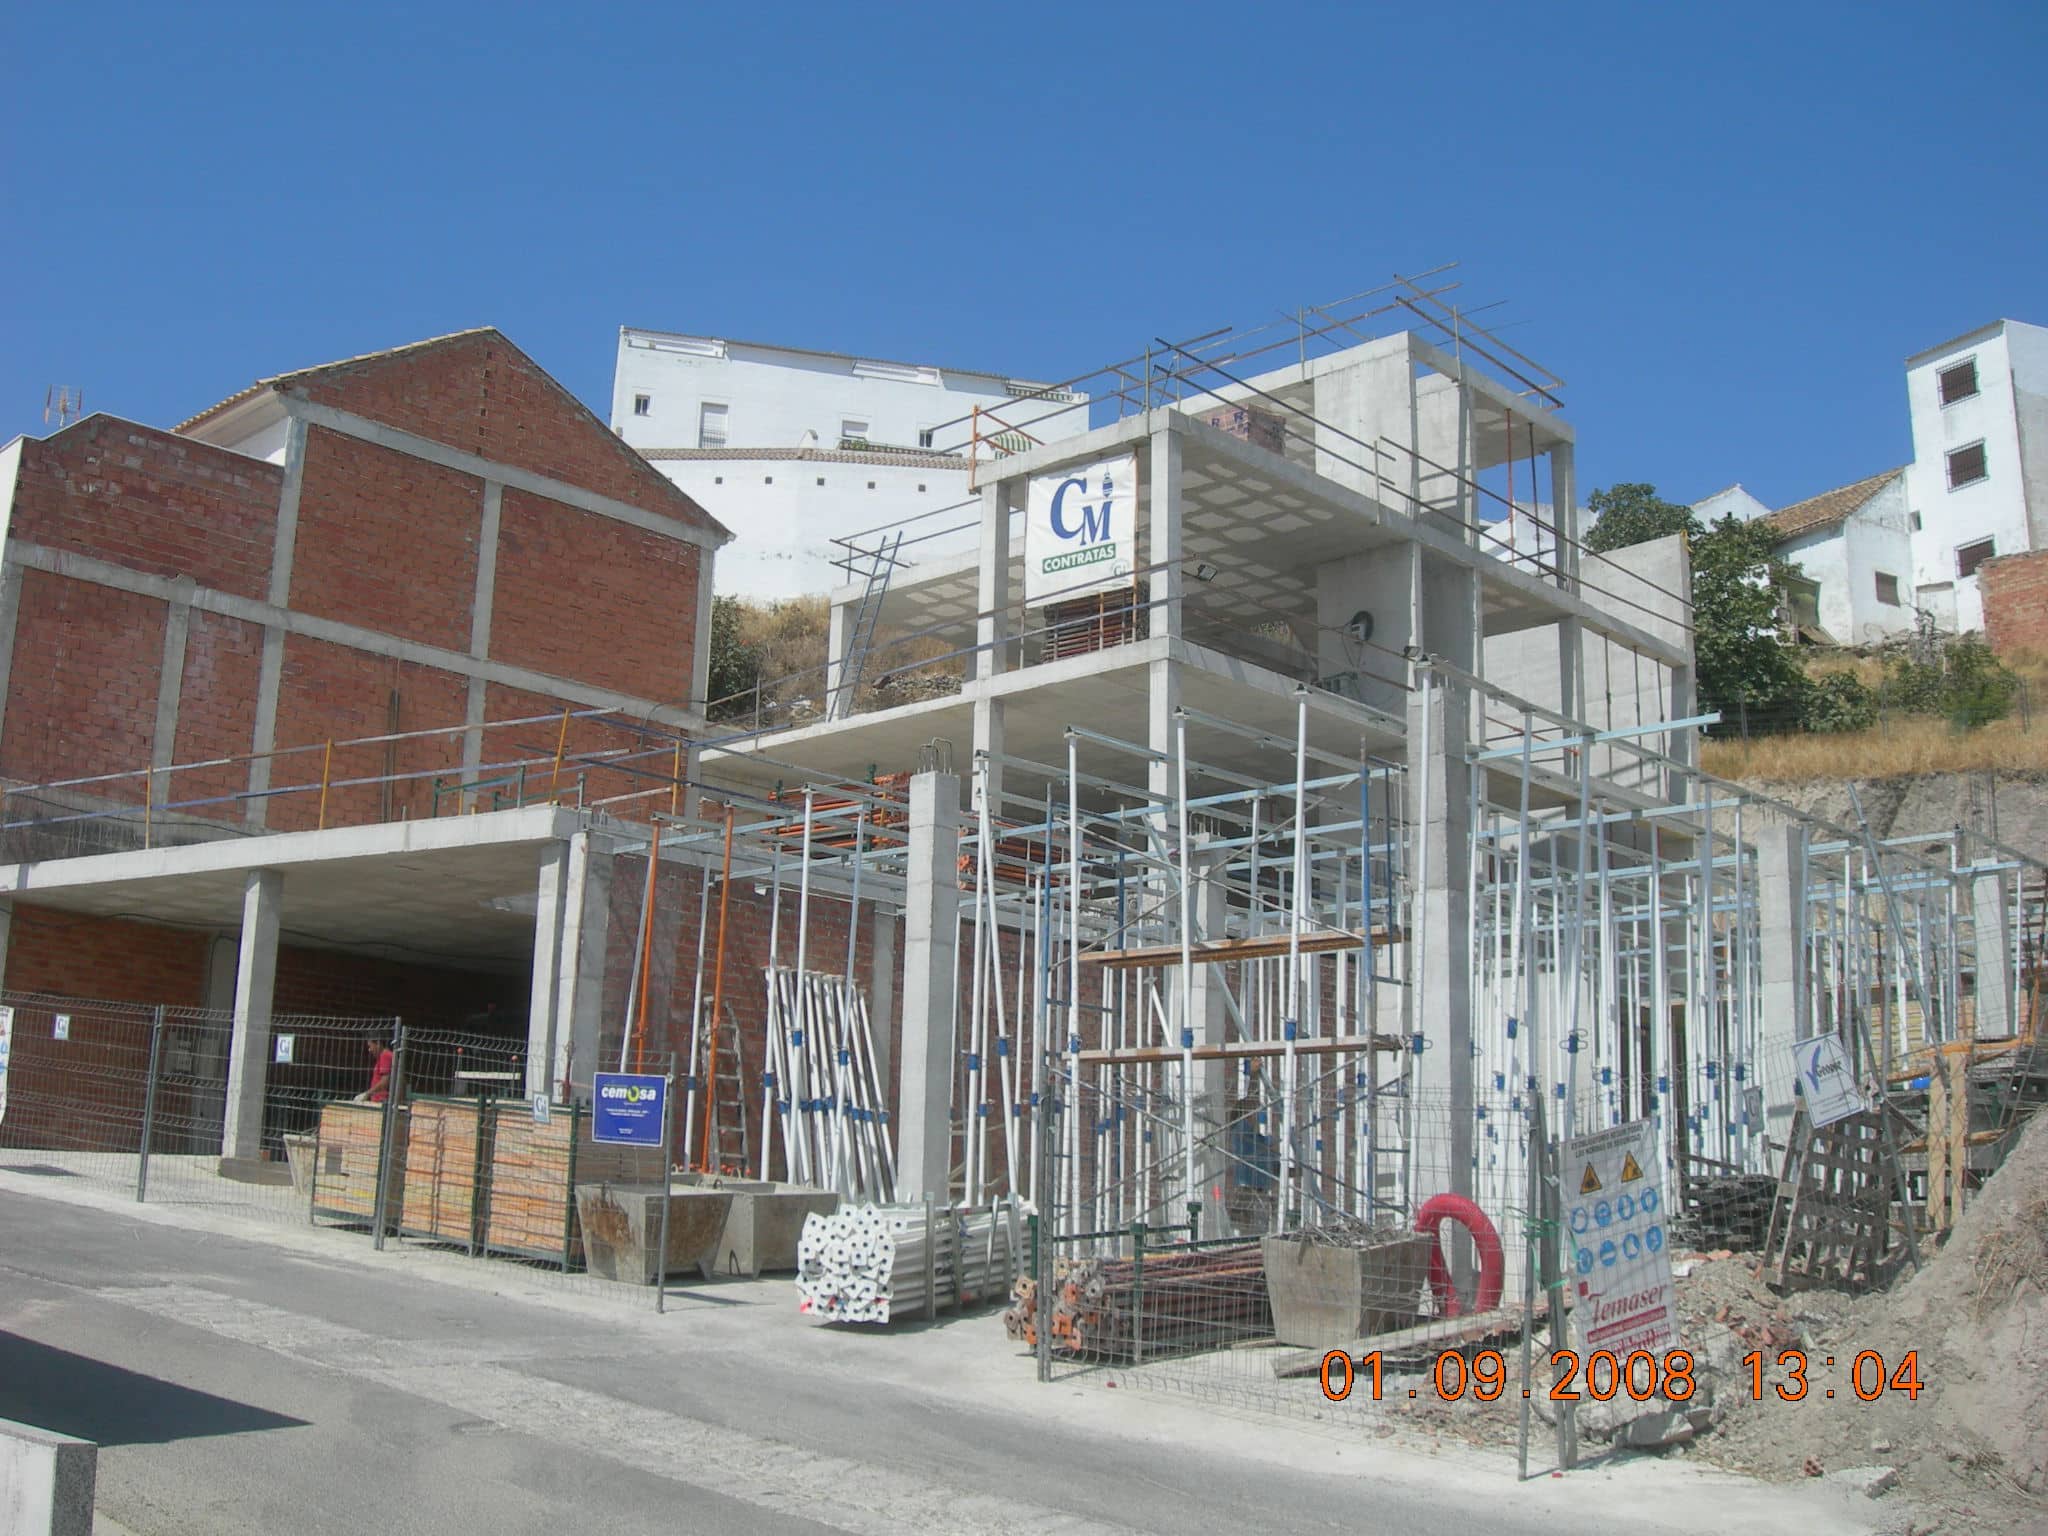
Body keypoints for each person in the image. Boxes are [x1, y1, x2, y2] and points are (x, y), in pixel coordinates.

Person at [351, 1038, 394, 1104]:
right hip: (380, 1101)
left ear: (378, 1044)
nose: (369, 1050)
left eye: (370, 1046)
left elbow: (384, 1082)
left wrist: (367, 1094)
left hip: (381, 1101)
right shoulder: (384, 1056)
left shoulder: (385, 1056)